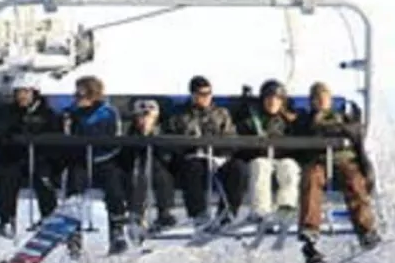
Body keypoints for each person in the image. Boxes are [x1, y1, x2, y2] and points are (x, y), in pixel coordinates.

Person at [296, 81, 381, 263]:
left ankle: (366, 228)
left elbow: (354, 131)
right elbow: (306, 132)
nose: (321, 101)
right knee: (311, 179)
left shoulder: (343, 116)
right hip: (317, 160)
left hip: (343, 159)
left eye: (324, 98)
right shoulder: (305, 119)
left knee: (355, 182)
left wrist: (335, 129)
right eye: (316, 99)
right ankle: (310, 228)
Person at [0, 84, 59, 237]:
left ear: (34, 93)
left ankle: (49, 216)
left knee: (43, 177)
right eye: (18, 93)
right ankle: (5, 219)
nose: (21, 96)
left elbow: (56, 137)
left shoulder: (47, 114)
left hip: (40, 159)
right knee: (8, 176)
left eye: (25, 92)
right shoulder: (8, 113)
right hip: (15, 157)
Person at [166, 74, 239, 230]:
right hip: (192, 159)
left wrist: (221, 150)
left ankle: (226, 214)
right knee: (193, 168)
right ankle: (198, 214)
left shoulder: (221, 113)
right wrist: (191, 147)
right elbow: (173, 139)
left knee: (238, 169)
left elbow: (231, 138)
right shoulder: (181, 115)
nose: (206, 98)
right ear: (193, 95)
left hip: (217, 157)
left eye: (209, 94)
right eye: (201, 94)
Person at [61, 76, 124, 253]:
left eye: (81, 93)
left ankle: (117, 229)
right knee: (74, 184)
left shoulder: (108, 113)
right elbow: (66, 137)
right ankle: (73, 233)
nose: (77, 97)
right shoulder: (70, 113)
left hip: (103, 159)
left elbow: (115, 139)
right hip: (80, 161)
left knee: (114, 186)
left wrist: (100, 151)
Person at [235, 80, 301, 226]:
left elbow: (298, 141)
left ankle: (286, 207)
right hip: (260, 157)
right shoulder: (252, 118)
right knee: (260, 166)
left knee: (290, 167)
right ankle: (260, 211)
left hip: (282, 157)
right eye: (269, 98)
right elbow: (240, 138)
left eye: (277, 99)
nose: (272, 102)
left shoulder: (289, 120)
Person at [121, 99, 177, 234]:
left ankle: (164, 213)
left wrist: (151, 135)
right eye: (141, 116)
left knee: (158, 170)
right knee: (138, 172)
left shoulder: (164, 130)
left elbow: (167, 155)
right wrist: (140, 136)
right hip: (134, 168)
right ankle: (136, 214)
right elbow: (125, 154)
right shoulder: (128, 132)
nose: (145, 120)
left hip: (161, 168)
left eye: (149, 117)